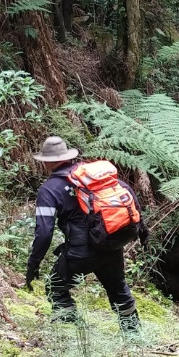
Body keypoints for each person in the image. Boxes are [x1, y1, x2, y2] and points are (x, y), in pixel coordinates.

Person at [24, 136, 142, 333]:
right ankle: (134, 338)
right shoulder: (92, 177)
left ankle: (73, 334)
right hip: (111, 243)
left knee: (56, 287)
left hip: (81, 252)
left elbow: (44, 232)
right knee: (119, 290)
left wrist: (33, 265)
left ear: (47, 161)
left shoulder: (49, 189)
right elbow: (128, 194)